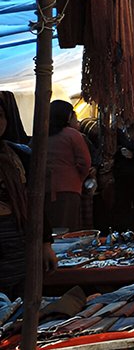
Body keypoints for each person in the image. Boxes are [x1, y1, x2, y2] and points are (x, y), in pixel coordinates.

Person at [0, 98, 57, 295]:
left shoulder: (19, 154)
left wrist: (45, 243)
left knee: (22, 300)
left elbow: (35, 201)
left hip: (19, 237)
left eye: (0, 116)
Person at [44, 101, 91, 232]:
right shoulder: (72, 134)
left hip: (44, 189)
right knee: (68, 229)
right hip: (68, 188)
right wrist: (78, 178)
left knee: (51, 228)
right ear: (68, 116)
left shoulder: (41, 134)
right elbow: (85, 162)